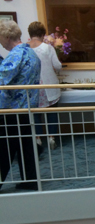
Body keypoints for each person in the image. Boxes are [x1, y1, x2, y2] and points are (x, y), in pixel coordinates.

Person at [0, 20, 41, 191]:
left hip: (13, 109)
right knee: (26, 146)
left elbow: (2, 80)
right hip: (28, 107)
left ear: (7, 37)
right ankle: (30, 180)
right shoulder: (31, 53)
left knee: (5, 147)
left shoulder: (16, 55)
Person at [27, 21, 61, 151]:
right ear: (43, 34)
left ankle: (38, 140)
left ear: (30, 34)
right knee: (52, 113)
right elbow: (57, 65)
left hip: (32, 87)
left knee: (35, 114)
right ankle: (52, 138)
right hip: (49, 85)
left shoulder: (25, 48)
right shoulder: (48, 48)